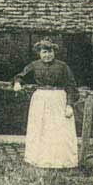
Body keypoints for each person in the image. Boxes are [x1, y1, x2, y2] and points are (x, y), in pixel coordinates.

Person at [13, 39, 79, 169]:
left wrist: (69, 104)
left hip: (58, 99)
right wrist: (17, 82)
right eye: (44, 52)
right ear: (39, 53)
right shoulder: (34, 65)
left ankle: (61, 161)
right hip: (41, 99)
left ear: (54, 52)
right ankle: (39, 159)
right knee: (40, 128)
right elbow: (20, 75)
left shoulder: (62, 66)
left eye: (50, 52)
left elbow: (71, 86)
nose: (47, 55)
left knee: (59, 129)